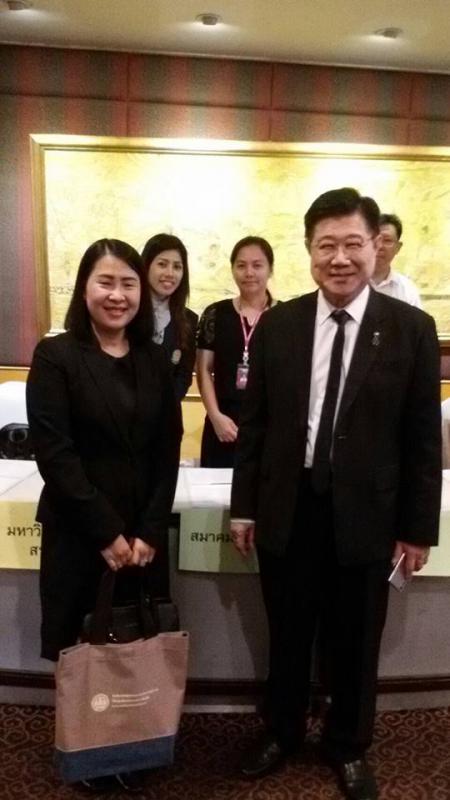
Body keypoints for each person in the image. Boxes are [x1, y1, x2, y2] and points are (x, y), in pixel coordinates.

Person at [230, 189, 441, 800]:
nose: (340, 258)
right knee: (288, 631)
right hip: (289, 508)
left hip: (368, 515)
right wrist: (244, 506)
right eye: (327, 245)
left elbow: (422, 439)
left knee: (356, 638)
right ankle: (283, 730)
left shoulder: (411, 329)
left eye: (353, 244)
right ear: (309, 250)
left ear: (375, 246)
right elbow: (256, 427)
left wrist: (417, 530)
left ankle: (347, 744)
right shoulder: (280, 325)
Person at [27, 238, 182, 793]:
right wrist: (107, 532)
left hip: (142, 539)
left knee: (136, 643)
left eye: (128, 284)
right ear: (84, 288)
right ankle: (89, 748)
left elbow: (168, 449)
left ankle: (135, 740)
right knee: (84, 645)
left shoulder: (153, 359)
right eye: (106, 282)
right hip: (80, 532)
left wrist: (148, 529)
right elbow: (55, 453)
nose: (118, 295)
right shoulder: (57, 356)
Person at [196, 235, 275, 467]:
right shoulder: (215, 313)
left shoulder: (284, 317)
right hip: (222, 422)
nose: (249, 273)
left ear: (270, 269)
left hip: (267, 426)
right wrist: (215, 416)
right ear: (232, 270)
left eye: (257, 265)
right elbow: (203, 370)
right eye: (241, 265)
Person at [142, 233, 198, 401]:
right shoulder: (127, 312)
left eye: (177, 267)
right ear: (146, 266)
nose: (170, 273)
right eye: (162, 264)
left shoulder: (189, 320)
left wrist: (163, 407)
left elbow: (183, 376)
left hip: (167, 412)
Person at [371, 213, 422, 307]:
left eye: (387, 240)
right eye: (375, 239)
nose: (380, 246)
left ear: (398, 247)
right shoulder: (350, 284)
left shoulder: (407, 290)